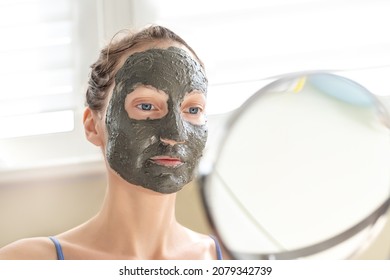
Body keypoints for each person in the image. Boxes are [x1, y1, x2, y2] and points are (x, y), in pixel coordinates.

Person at [0, 25, 222, 260]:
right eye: (146, 106)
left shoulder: (232, 260)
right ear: (92, 126)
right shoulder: (27, 262)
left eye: (193, 109)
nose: (176, 134)